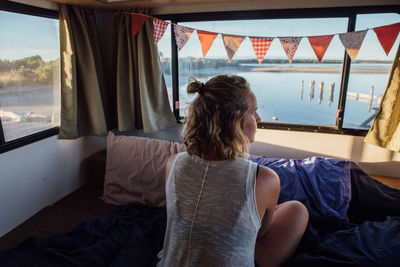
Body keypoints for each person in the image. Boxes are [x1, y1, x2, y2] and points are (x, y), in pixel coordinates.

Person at [157, 74, 309, 267]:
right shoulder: (263, 178)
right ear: (234, 123)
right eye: (253, 113)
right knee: (297, 210)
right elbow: (260, 234)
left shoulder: (173, 163)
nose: (259, 119)